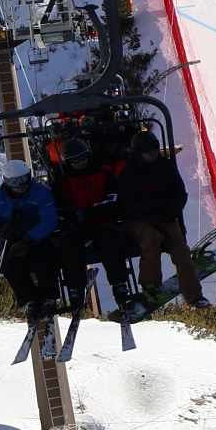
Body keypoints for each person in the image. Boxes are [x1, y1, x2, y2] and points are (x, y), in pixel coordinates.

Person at [53, 136, 146, 318]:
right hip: (78, 226)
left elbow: (114, 198)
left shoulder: (103, 173)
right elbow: (61, 206)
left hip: (102, 221)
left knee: (110, 241)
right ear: (68, 162)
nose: (80, 163)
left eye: (82, 159)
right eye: (75, 161)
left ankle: (119, 285)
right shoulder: (63, 181)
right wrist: (73, 216)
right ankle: (76, 289)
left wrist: (95, 210)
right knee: (69, 245)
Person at [116, 129, 206, 309]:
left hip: (165, 216)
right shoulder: (129, 173)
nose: (152, 155)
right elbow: (126, 204)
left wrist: (170, 211)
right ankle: (150, 286)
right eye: (147, 152)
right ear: (138, 153)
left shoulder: (165, 166)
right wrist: (149, 215)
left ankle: (194, 296)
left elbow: (180, 194)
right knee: (151, 239)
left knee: (180, 249)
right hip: (139, 220)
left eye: (154, 150)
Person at [0, 159, 75, 320]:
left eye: (24, 179)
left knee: (43, 260)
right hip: (12, 237)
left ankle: (49, 297)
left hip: (37, 236)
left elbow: (49, 220)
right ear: (7, 182)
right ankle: (28, 300)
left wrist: (29, 238)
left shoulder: (40, 192)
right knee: (9, 265)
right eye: (15, 182)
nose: (20, 185)